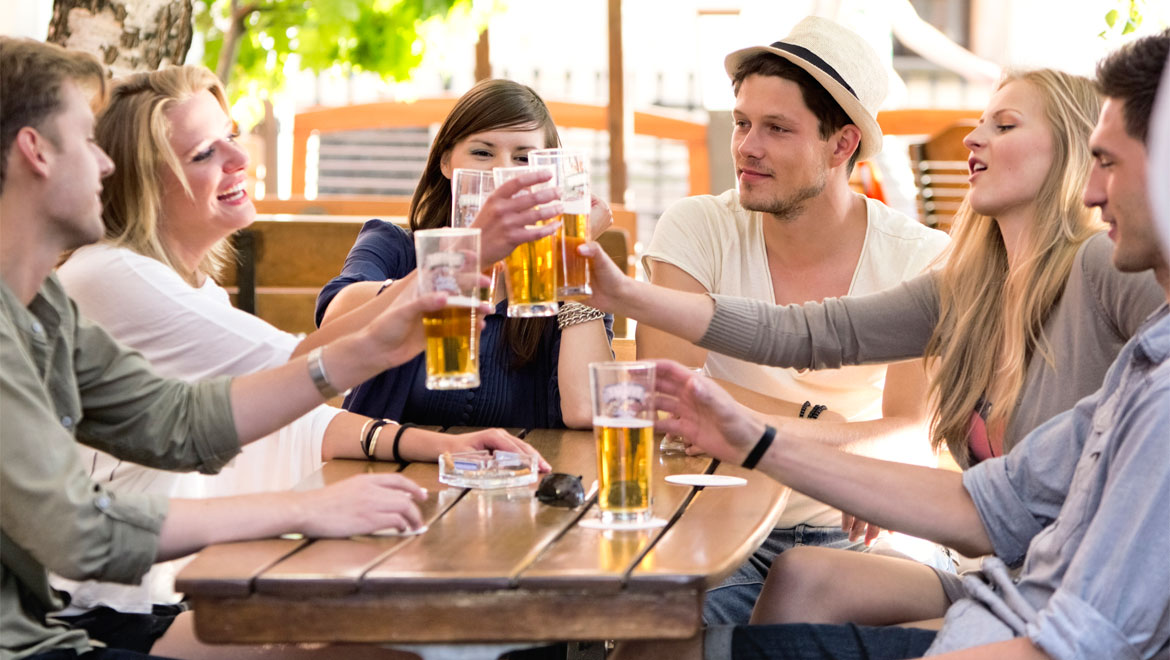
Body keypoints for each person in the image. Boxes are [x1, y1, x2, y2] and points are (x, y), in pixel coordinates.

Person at [616, 29, 1170, 660]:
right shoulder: (971, 283)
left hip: (1049, 594)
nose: (972, 138)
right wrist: (630, 297)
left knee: (705, 630)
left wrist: (769, 436)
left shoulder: (1100, 267)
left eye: (1005, 124)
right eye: (743, 123)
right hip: (996, 573)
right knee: (794, 581)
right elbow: (811, 331)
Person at [49, 64, 549, 653]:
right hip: (96, 614)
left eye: (232, 135)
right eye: (205, 153)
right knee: (409, 637)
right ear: (141, 180)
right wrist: (464, 256)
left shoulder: (185, 287)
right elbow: (297, 371)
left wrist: (434, 444)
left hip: (163, 592)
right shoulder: (114, 275)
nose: (238, 158)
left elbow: (288, 411)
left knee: (416, 635)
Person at [638, 16, 953, 624]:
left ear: (842, 146)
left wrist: (850, 464)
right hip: (719, 525)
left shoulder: (919, 257)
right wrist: (821, 423)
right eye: (742, 123)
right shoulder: (697, 226)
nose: (747, 147)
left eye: (777, 129)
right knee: (656, 631)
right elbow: (667, 390)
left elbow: (913, 434)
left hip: (864, 531)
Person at [316, 79, 614, 430]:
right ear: (446, 162)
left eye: (523, 158)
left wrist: (571, 256)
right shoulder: (394, 246)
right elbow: (332, 328)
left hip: (520, 479)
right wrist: (455, 258)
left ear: (548, 175)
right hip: (387, 476)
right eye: (483, 152)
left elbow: (587, 409)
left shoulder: (565, 272)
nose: (502, 172)